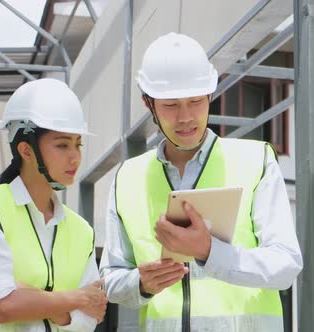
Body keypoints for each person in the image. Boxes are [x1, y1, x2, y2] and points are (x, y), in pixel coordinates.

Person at [99, 32, 303, 331]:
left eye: (195, 101)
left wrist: (209, 252)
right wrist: (139, 283)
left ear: (210, 95)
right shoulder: (127, 177)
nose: (185, 117)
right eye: (170, 105)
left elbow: (286, 266)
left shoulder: (256, 161)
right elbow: (111, 279)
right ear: (148, 103)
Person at [0, 78, 107, 331]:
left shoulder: (81, 230)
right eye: (62, 145)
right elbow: (4, 307)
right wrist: (77, 298)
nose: (75, 156)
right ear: (26, 150)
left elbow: (90, 318)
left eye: (77, 144)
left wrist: (25, 294)